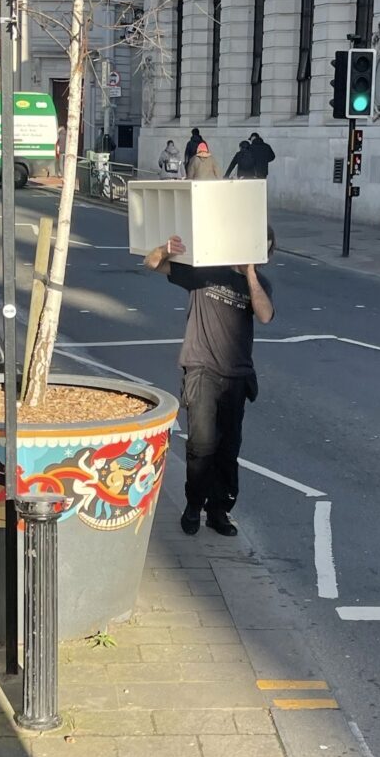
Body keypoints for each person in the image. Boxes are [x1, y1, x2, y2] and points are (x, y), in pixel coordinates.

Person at [144, 225, 274, 537]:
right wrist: (166, 248)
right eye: (257, 247)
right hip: (200, 368)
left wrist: (251, 274)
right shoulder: (205, 270)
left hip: (237, 376)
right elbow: (152, 263)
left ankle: (218, 512)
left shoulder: (258, 284)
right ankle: (193, 505)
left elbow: (266, 315)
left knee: (228, 450)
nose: (261, 254)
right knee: (201, 446)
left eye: (265, 251)